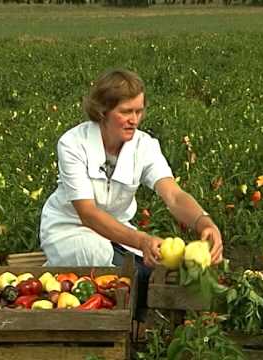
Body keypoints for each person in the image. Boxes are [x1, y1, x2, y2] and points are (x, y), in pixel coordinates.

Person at [39, 68, 223, 319]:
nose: (134, 120)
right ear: (103, 111)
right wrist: (142, 241)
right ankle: (135, 319)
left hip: (118, 231)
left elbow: (173, 195)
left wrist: (204, 221)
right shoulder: (73, 144)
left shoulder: (144, 146)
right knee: (114, 267)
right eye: (126, 112)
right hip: (70, 229)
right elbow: (88, 214)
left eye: (139, 111)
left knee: (143, 270)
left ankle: (145, 314)